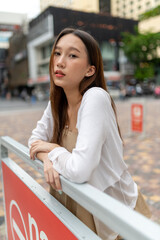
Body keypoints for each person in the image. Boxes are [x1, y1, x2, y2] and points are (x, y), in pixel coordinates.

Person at [28, 28, 150, 240]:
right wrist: (47, 159)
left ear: (90, 70)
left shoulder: (95, 97)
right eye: (57, 53)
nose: (60, 62)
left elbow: (79, 169)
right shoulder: (57, 103)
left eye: (72, 55)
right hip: (77, 203)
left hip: (113, 213)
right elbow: (34, 141)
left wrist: (54, 148)